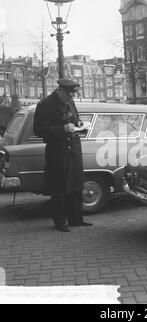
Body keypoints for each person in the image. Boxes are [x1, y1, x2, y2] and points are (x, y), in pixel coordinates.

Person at [33, 78, 92, 232]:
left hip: (73, 148)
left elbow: (74, 118)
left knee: (76, 183)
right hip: (57, 150)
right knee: (59, 186)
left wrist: (79, 124)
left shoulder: (70, 101)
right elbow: (38, 129)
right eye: (69, 95)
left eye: (73, 95)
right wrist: (62, 129)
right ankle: (60, 221)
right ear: (60, 91)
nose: (71, 98)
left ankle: (76, 219)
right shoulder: (44, 105)